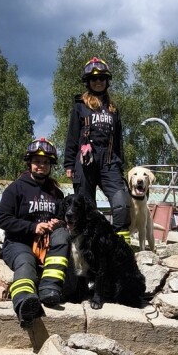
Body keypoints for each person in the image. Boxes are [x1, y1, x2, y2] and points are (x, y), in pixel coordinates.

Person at [0, 137, 72, 325]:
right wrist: (33, 227)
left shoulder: (56, 192)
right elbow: (3, 219)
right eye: (37, 162)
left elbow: (63, 218)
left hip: (46, 243)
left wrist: (57, 222)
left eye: (46, 162)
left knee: (63, 235)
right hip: (18, 242)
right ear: (30, 163)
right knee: (25, 261)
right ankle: (24, 302)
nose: (41, 166)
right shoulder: (15, 189)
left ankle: (49, 289)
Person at [63, 56, 131, 241]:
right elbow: (72, 136)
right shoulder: (80, 106)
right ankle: (88, 245)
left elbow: (118, 140)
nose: (98, 81)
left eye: (102, 78)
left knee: (121, 204)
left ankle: (120, 244)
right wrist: (69, 164)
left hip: (109, 162)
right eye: (94, 78)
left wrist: (120, 164)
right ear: (88, 82)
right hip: (84, 163)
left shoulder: (113, 110)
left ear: (107, 81)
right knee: (86, 208)